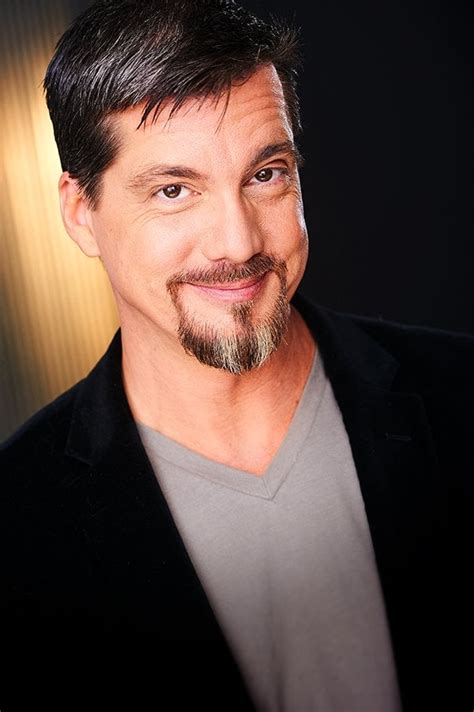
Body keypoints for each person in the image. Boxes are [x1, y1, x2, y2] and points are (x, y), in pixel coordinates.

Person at [1, 0, 472, 710]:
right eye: (173, 190)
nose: (238, 242)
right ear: (81, 212)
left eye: (266, 174)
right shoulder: (15, 528)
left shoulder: (462, 398)